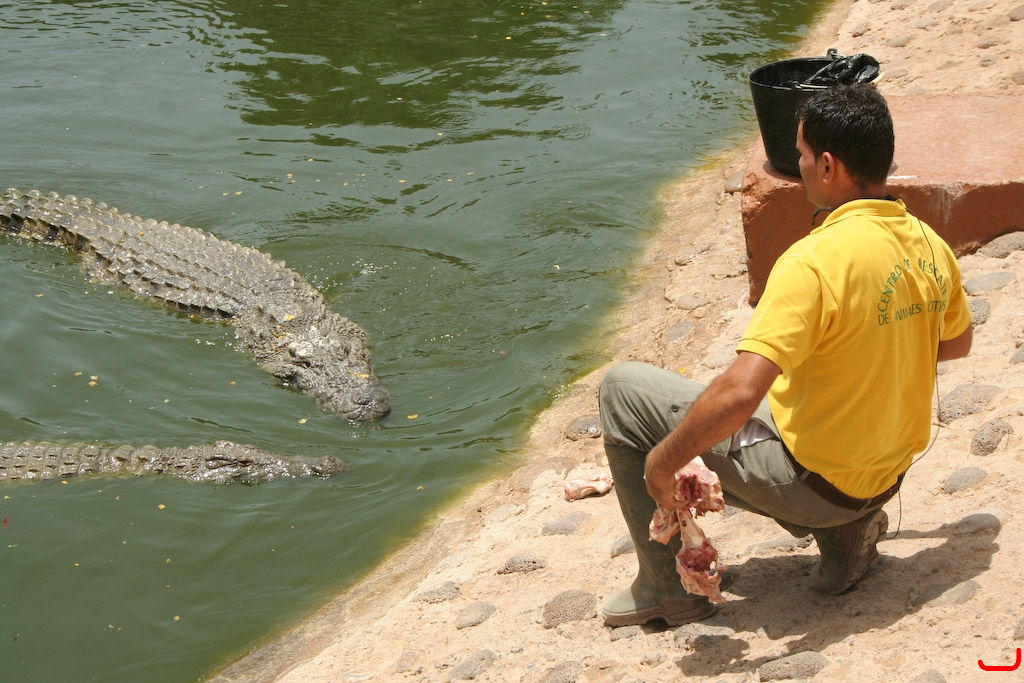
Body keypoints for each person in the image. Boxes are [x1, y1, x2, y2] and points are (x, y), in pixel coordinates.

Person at [598, 83, 973, 627]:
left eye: (800, 155)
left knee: (624, 390)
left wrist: (661, 465)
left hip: (819, 486)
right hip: (884, 476)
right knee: (773, 394)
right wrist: (878, 345)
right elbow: (958, 343)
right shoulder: (928, 242)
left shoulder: (813, 260)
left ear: (828, 165)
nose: (797, 166)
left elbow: (739, 393)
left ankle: (665, 587)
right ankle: (847, 534)